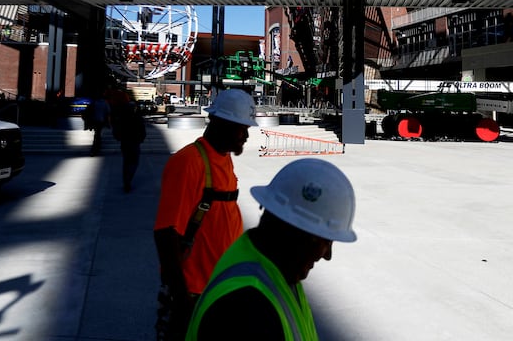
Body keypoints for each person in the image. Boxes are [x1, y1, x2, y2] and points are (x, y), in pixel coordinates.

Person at [185, 158, 357, 340]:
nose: (327, 255)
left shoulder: (278, 271)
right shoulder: (248, 311)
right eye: (326, 241)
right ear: (296, 234)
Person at [154, 89, 258, 340]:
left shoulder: (222, 159)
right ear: (221, 123)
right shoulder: (189, 162)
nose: (245, 135)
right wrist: (182, 301)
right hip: (194, 293)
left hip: (221, 288)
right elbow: (166, 233)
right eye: (241, 128)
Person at [111, 101, 146, 192]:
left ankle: (126, 181)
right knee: (134, 162)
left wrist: (118, 137)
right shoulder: (137, 118)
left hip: (125, 142)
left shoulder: (122, 118)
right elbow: (142, 130)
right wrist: (141, 139)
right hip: (134, 142)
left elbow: (116, 129)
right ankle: (128, 180)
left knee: (126, 162)